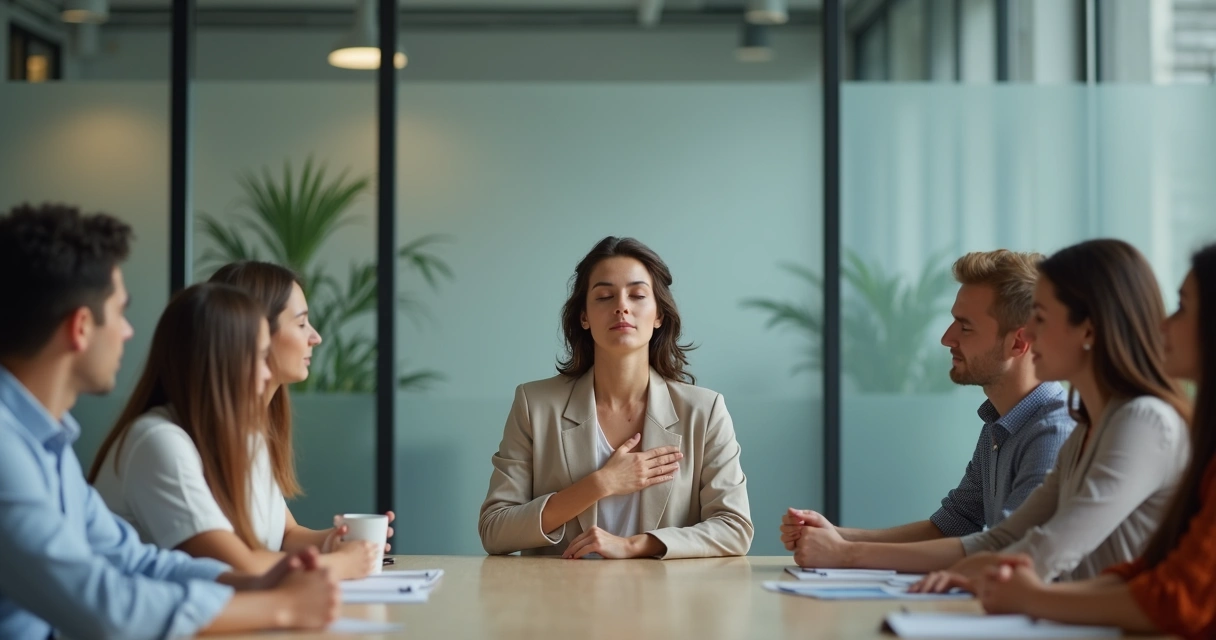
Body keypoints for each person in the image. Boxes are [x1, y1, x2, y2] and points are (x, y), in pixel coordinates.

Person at [0, 203, 339, 639]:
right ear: (80, 327)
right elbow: (105, 607)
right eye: (119, 313)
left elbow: (135, 560)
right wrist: (279, 607)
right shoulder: (8, 450)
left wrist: (254, 583)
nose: (128, 332)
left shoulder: (48, 443)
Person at [791, 239, 1191, 590]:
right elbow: (997, 539)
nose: (1030, 334)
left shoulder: (1119, 423)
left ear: (1086, 331)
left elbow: (1040, 553)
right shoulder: (1082, 424)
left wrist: (847, 554)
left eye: (1041, 319)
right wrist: (842, 544)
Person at [976, 243, 1216, 640]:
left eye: (1182, 308)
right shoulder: (1084, 428)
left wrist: (1031, 597)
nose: (1163, 327)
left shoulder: (1141, 421)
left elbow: (1174, 598)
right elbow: (1149, 571)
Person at [91, 261, 387, 580]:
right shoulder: (159, 442)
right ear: (229, 348)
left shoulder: (246, 436)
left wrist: (344, 542)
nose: (315, 337)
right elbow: (238, 568)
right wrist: (342, 564)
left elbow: (283, 536)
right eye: (301, 324)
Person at [479, 236, 753, 559]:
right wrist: (601, 483)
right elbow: (494, 530)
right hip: (561, 590)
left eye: (637, 295)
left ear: (659, 315)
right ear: (584, 317)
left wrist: (634, 545)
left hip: (663, 592)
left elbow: (735, 528)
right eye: (605, 296)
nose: (621, 306)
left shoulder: (705, 412)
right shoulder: (534, 405)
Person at [781, 250, 1074, 551]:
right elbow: (952, 526)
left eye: (965, 327)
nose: (947, 338)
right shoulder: (999, 424)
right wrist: (838, 536)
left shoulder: (1053, 433)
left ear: (1018, 342)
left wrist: (845, 553)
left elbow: (1006, 551)